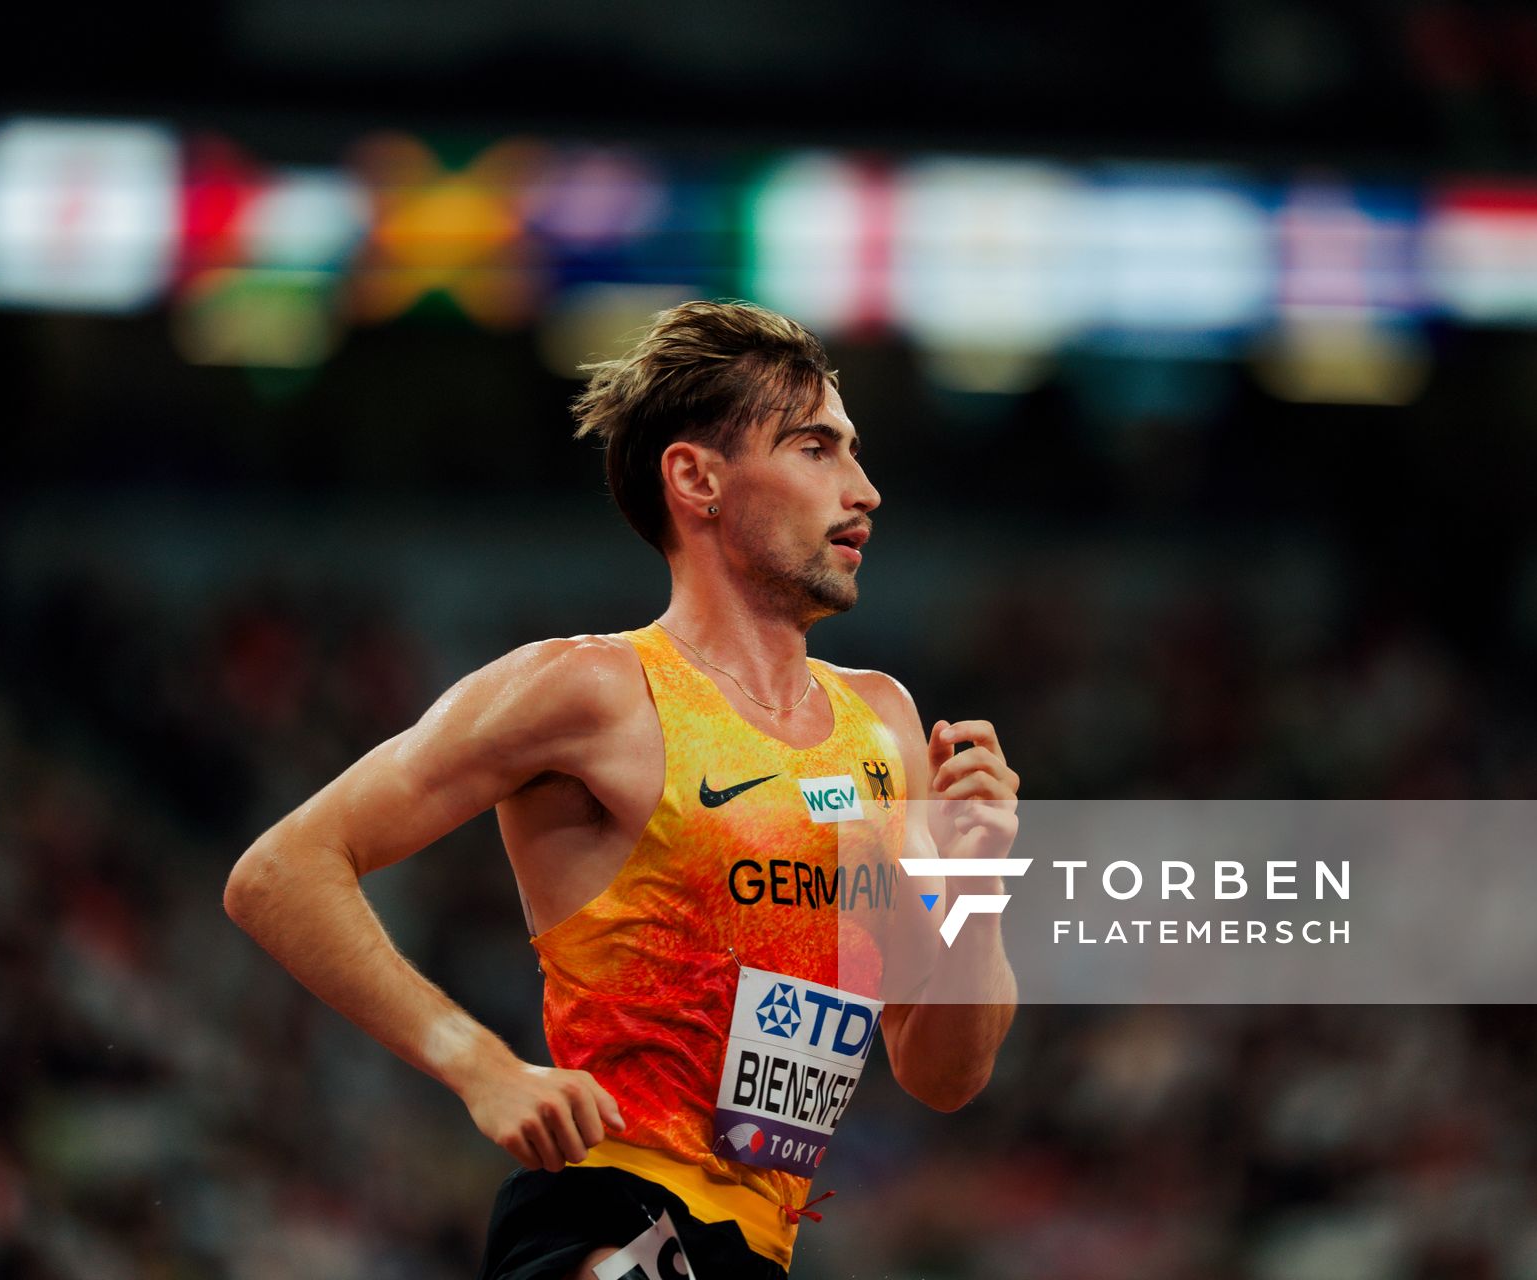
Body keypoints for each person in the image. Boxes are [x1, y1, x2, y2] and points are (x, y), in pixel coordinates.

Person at [223, 300, 1021, 1279]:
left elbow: (942, 1072)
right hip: (613, 1218)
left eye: (854, 452)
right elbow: (279, 870)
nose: (865, 490)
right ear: (696, 478)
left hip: (756, 1247)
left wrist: (977, 891)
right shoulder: (593, 690)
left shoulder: (886, 725)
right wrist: (478, 1062)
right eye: (817, 449)